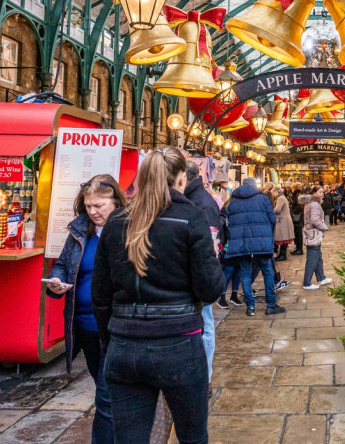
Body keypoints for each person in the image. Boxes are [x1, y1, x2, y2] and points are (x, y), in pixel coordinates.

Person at [92, 147, 225, 444]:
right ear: (180, 179)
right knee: (192, 436)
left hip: (125, 346)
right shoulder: (191, 218)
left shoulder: (116, 222)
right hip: (179, 346)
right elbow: (210, 289)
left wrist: (113, 338)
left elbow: (100, 294)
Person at [46, 175, 125, 443]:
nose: (93, 211)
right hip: (82, 326)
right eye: (89, 205)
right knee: (107, 393)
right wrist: (56, 280)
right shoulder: (79, 230)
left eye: (100, 205)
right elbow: (63, 264)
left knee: (105, 398)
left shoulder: (127, 229)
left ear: (116, 201)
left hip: (111, 327)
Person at [184, 160, 224, 386]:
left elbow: (209, 245)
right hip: (192, 273)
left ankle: (204, 377)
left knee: (206, 324)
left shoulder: (202, 203)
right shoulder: (198, 198)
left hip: (200, 274)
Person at [224, 177, 286, 317]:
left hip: (242, 243)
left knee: (245, 274)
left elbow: (228, 222)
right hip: (261, 241)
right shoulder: (263, 199)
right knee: (267, 272)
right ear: (254, 186)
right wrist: (267, 235)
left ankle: (250, 307)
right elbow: (272, 219)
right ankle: (271, 305)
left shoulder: (232, 201)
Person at [301, 188, 332, 290]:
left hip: (311, 233)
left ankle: (321, 278)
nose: (322, 194)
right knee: (313, 258)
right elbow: (315, 220)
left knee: (318, 256)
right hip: (313, 234)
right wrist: (324, 227)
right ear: (314, 193)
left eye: (322, 192)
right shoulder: (314, 204)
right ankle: (307, 283)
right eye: (320, 192)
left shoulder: (311, 203)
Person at [272, 188, 294, 262]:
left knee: (283, 237)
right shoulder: (282, 197)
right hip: (284, 219)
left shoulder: (280, 198)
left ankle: (282, 255)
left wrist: (271, 212)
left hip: (282, 220)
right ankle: (282, 254)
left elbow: (278, 209)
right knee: (283, 237)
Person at [290, 183, 304, 256]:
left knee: (298, 234)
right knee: (297, 234)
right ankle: (298, 249)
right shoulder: (298, 195)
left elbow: (299, 206)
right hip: (298, 218)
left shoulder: (298, 195)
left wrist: (293, 211)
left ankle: (299, 249)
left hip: (298, 218)